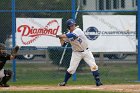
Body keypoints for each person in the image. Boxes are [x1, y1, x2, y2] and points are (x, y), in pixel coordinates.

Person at [56, 19, 103, 86]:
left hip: (86, 51)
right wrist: (60, 38)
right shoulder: (67, 34)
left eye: (73, 25)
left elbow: (72, 36)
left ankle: (98, 81)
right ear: (68, 27)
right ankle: (64, 82)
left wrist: (62, 35)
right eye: (71, 26)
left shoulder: (78, 30)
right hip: (76, 53)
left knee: (93, 65)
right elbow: (63, 45)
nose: (73, 26)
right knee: (71, 69)